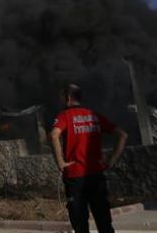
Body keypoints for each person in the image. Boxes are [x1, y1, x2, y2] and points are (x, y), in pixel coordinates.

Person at [50, 83, 128, 233]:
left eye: (61, 96)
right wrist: (111, 160)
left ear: (67, 98)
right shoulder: (94, 115)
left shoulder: (65, 116)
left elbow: (54, 135)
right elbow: (123, 135)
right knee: (104, 221)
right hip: (96, 175)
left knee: (80, 224)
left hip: (75, 176)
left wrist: (60, 162)